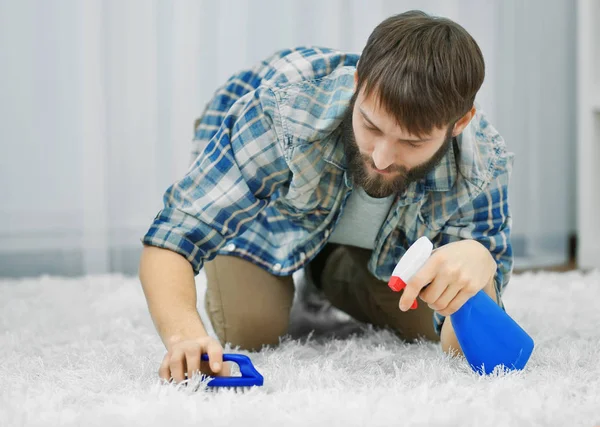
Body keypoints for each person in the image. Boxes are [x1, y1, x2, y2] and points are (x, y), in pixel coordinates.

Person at [139, 10, 514, 383]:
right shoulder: (284, 109)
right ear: (357, 84)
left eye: (411, 142)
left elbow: (463, 349)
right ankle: (306, 259)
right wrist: (184, 335)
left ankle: (325, 269)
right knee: (251, 327)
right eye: (370, 125)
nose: (382, 158)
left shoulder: (482, 163)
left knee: (422, 323)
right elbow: (175, 234)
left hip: (381, 243)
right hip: (265, 212)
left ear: (460, 123)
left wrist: (480, 266)